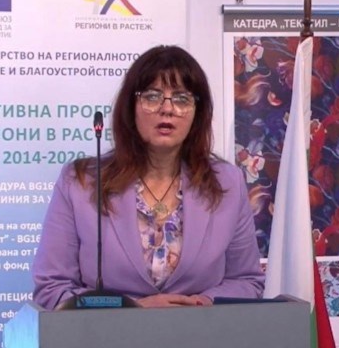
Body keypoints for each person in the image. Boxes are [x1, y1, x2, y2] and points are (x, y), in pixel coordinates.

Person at [32, 45, 265, 309]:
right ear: (130, 107)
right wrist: (134, 309)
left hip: (202, 329)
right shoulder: (81, 183)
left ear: (197, 113)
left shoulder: (227, 183)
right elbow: (53, 289)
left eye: (181, 99)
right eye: (152, 97)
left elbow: (247, 281)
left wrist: (199, 305)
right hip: (107, 332)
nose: (167, 109)